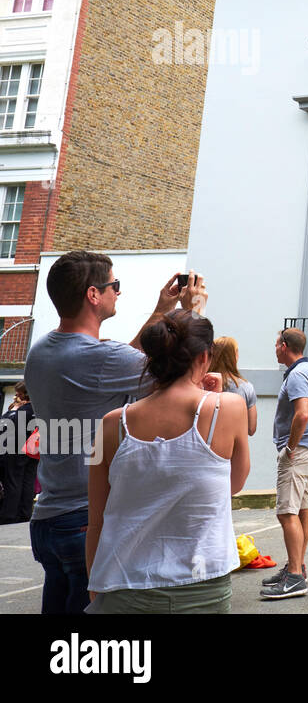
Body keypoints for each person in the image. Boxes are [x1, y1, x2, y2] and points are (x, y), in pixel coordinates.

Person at [23, 251, 202, 614]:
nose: (117, 292)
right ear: (93, 294)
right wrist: (190, 314)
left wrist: (162, 312)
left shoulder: (41, 350)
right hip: (85, 518)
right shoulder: (101, 358)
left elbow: (125, 361)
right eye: (114, 286)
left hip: (49, 519)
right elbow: (176, 374)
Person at [85, 311, 249, 613]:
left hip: (123, 583)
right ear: (205, 356)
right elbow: (234, 484)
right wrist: (213, 396)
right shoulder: (230, 407)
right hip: (203, 584)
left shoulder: (110, 425)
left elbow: (96, 520)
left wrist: (94, 581)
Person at [260, 327, 308, 600]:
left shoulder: (296, 375)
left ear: (284, 346)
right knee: (302, 509)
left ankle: (295, 576)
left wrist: (289, 448)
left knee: (286, 513)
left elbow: (302, 414)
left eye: (275, 343)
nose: (274, 348)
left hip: (297, 453)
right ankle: (297, 567)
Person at [0, 384, 38, 523]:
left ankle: (9, 514)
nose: (17, 395)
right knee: (28, 482)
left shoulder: (23, 410)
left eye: (19, 393)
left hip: (16, 449)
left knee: (13, 482)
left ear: (25, 393)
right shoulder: (38, 408)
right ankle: (25, 512)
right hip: (33, 450)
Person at [210, 337, 257, 436]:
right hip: (234, 447)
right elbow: (251, 429)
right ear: (235, 355)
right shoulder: (245, 387)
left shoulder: (203, 383)